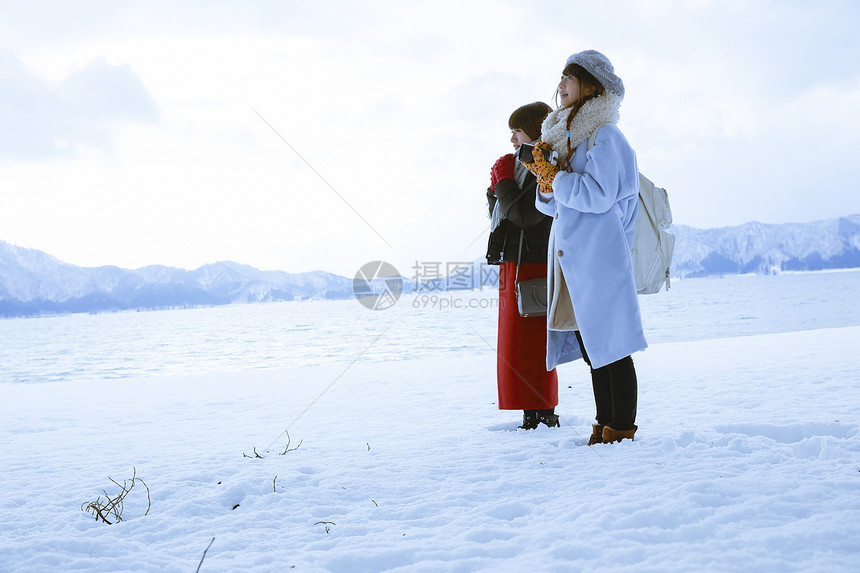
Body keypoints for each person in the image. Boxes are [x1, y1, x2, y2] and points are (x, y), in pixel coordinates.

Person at [522, 50, 647, 444]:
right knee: (592, 342)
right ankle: (604, 423)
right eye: (559, 78)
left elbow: (597, 195)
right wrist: (545, 181)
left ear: (590, 85)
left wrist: (555, 177)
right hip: (573, 256)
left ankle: (621, 428)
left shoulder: (605, 136)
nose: (559, 86)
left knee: (612, 343)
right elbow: (553, 203)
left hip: (601, 255)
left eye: (568, 79)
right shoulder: (565, 135)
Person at [486, 101, 559, 430]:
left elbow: (526, 216)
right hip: (513, 261)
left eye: (516, 130)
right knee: (514, 345)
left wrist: (502, 182)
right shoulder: (519, 164)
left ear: (534, 128)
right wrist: (496, 188)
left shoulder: (543, 163)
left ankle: (544, 411)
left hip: (534, 261)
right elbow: (501, 215)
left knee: (532, 341)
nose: (512, 138)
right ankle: (530, 411)